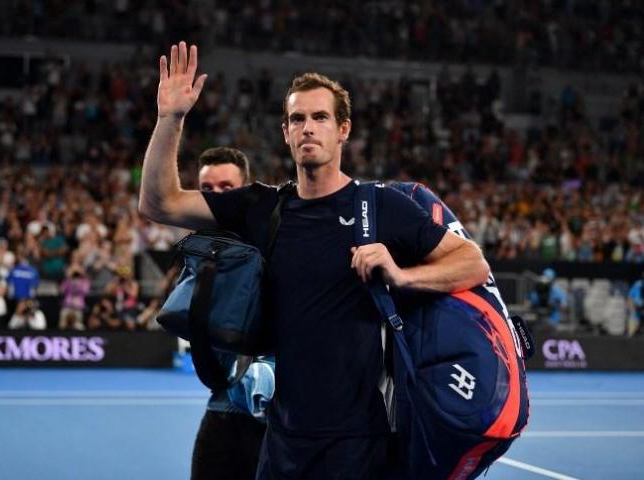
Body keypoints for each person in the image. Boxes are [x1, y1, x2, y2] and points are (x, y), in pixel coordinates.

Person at [139, 42, 488, 479]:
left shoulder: (382, 207)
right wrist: (170, 119)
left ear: (343, 129)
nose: (308, 128)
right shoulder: (264, 207)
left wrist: (401, 274)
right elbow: (160, 203)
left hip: (361, 443)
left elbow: (473, 263)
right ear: (285, 132)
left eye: (320, 117)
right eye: (297, 119)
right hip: (282, 439)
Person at [188, 146, 268, 480]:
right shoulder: (202, 251)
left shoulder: (275, 241)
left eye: (226, 188)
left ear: (245, 189)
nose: (217, 197)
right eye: (207, 190)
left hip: (276, 421)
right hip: (221, 410)